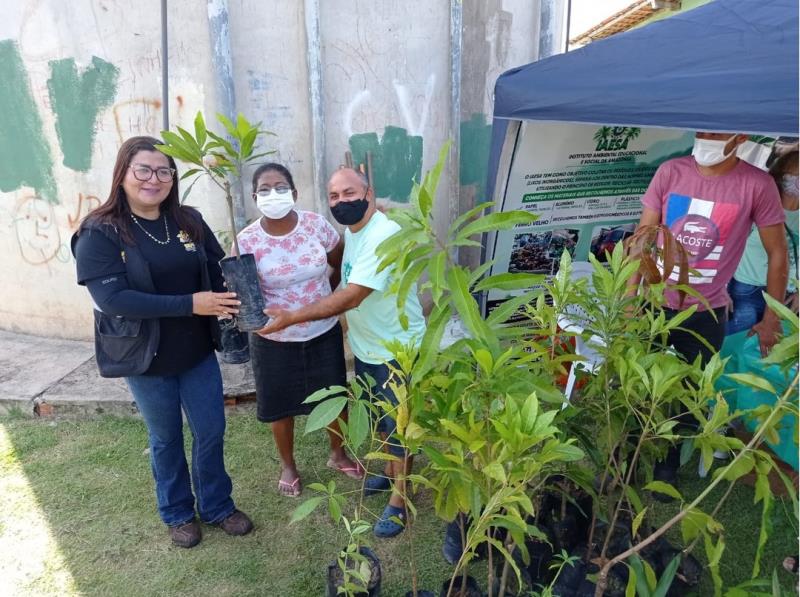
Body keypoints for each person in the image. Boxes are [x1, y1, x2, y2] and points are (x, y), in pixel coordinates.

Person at [71, 136, 253, 548]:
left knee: (211, 430)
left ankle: (217, 506)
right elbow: (113, 299)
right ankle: (177, 512)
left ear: (173, 178)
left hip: (196, 352)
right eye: (144, 170)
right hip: (145, 357)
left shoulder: (188, 220)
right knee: (166, 437)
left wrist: (241, 290)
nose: (154, 179)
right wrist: (192, 303)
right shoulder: (100, 232)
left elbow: (216, 268)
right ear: (123, 174)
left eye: (164, 171)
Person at [260, 167, 426, 538]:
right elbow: (341, 275)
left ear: (369, 193)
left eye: (349, 193)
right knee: (381, 419)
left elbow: (352, 295)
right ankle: (389, 473)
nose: (341, 202)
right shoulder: (354, 232)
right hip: (369, 346)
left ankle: (400, 500)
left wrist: (293, 316)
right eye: (333, 196)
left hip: (396, 349)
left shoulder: (384, 235)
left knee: (399, 427)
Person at [634, 131, 788, 484]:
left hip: (707, 311)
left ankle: (666, 468)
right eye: (702, 130)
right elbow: (642, 238)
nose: (706, 138)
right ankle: (625, 460)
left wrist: (772, 319)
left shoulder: (756, 184)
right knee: (638, 385)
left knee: (688, 394)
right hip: (653, 305)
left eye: (716, 132)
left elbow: (777, 252)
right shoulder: (671, 171)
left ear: (740, 137)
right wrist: (630, 300)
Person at [236, 162, 363, 497]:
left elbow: (338, 260)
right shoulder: (246, 240)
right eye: (265, 189)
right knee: (280, 406)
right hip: (273, 338)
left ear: (293, 193)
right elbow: (243, 289)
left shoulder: (316, 225)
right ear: (255, 197)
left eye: (280, 187)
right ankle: (288, 465)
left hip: (323, 330)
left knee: (334, 397)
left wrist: (325, 298)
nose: (273, 194)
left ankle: (338, 453)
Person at [727, 148, 799, 334]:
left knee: (775, 346)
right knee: (735, 342)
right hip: (747, 289)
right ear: (781, 177)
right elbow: (727, 246)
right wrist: (720, 289)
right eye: (795, 177)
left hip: (787, 294)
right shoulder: (756, 205)